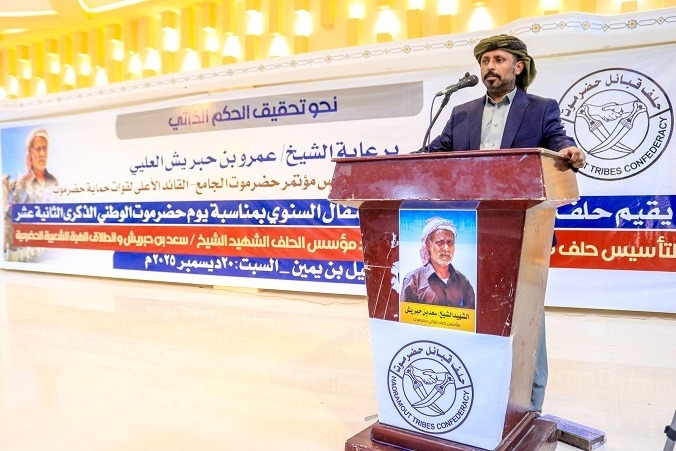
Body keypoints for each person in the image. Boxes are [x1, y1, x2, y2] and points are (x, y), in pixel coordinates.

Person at [423, 34, 587, 415]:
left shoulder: (540, 109)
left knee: (526, 313)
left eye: (498, 60)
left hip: (523, 230)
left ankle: (528, 405)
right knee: (471, 310)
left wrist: (569, 150)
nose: (489, 67)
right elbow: (434, 155)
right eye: (484, 61)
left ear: (518, 66)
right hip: (469, 229)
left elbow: (558, 141)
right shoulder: (461, 112)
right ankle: (477, 394)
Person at [401, 216, 476, 309]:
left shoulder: (463, 282)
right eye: (440, 242)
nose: (446, 248)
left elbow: (471, 316)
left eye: (450, 242)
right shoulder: (413, 281)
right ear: (428, 245)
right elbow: (406, 316)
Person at [12, 128, 58, 204]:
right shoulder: (23, 182)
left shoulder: (54, 182)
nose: (42, 154)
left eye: (44, 148)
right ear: (30, 154)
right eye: (38, 149)